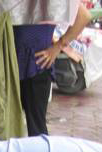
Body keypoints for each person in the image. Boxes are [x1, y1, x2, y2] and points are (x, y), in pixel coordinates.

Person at [14, 4, 92, 136]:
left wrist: (58, 46)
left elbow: (84, 16)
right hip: (9, 61)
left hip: (37, 64)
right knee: (6, 124)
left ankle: (40, 150)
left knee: (36, 127)